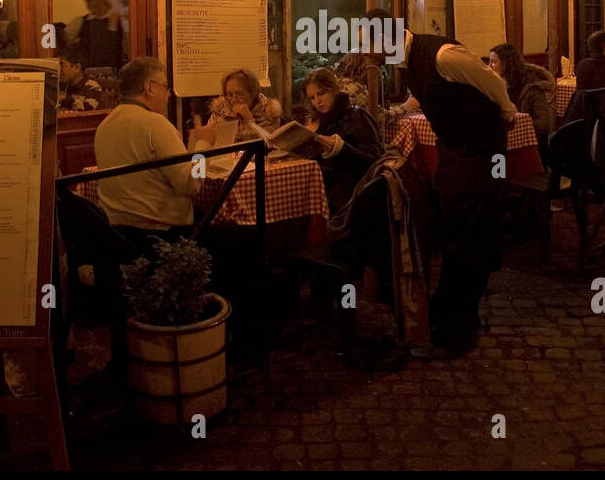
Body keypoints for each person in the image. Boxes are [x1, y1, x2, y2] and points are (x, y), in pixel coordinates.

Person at [371, 19, 517, 360]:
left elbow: (491, 80)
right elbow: (426, 95)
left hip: (480, 149)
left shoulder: (443, 55)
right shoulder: (408, 61)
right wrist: (397, 111)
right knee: (455, 229)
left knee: (472, 232)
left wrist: (508, 110)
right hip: (454, 149)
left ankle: (458, 323)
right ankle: (450, 314)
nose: (369, 55)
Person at [93, 57, 201, 237]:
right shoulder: (155, 124)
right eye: (165, 87)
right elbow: (191, 184)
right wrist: (203, 149)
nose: (168, 94)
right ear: (149, 88)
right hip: (161, 235)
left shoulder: (104, 125)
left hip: (116, 236)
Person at [302, 67, 384, 215]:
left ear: (334, 89)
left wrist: (342, 148)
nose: (317, 102)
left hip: (351, 190)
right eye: (312, 98)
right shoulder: (317, 121)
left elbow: (376, 161)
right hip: (320, 186)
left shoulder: (357, 116)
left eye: (321, 94)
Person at [490, 43, 556, 139]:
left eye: (494, 62)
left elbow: (544, 124)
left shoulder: (532, 85)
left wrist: (519, 124)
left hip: (531, 142)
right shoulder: (496, 85)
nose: (489, 66)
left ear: (506, 64)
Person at [207, 68, 283, 139]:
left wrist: (249, 121)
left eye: (239, 93)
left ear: (252, 93)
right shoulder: (219, 112)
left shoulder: (269, 113)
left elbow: (266, 144)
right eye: (229, 94)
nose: (233, 99)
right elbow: (209, 141)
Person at [70, 0, 126, 71]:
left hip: (113, 71)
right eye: (86, 1)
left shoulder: (116, 19)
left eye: (91, 0)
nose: (88, 5)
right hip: (89, 71)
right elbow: (66, 39)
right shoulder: (82, 21)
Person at [58, 45, 104, 111]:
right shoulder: (62, 85)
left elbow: (88, 109)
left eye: (61, 65)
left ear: (77, 68)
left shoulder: (92, 87)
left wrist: (66, 100)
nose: (58, 69)